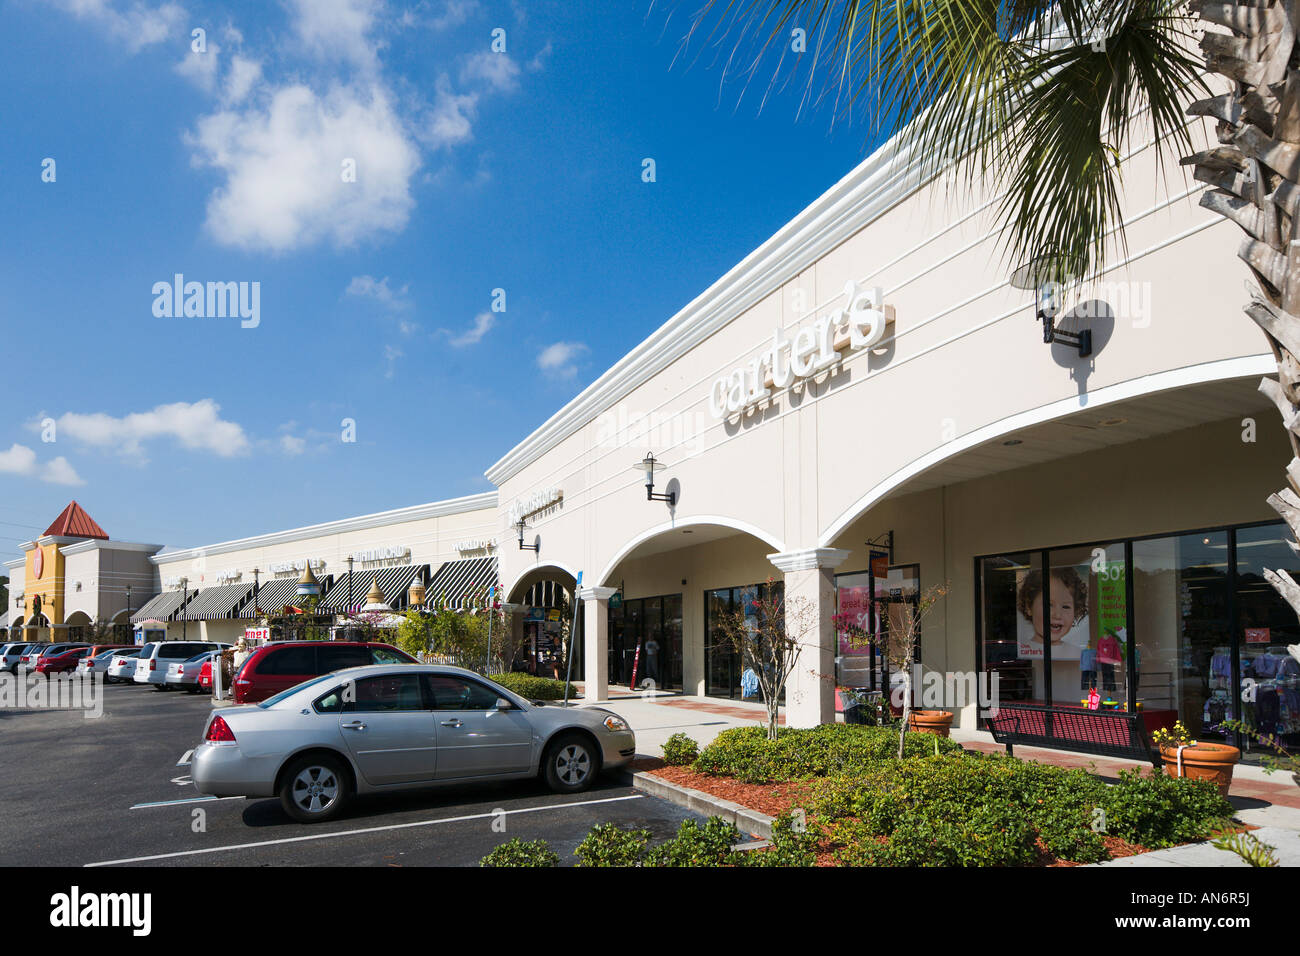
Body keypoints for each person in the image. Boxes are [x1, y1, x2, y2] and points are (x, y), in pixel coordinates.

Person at [1016, 567, 1089, 661]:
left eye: (1066, 607)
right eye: (1048, 605)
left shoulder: (1078, 653)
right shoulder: (1023, 649)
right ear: (1029, 607)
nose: (1057, 615)